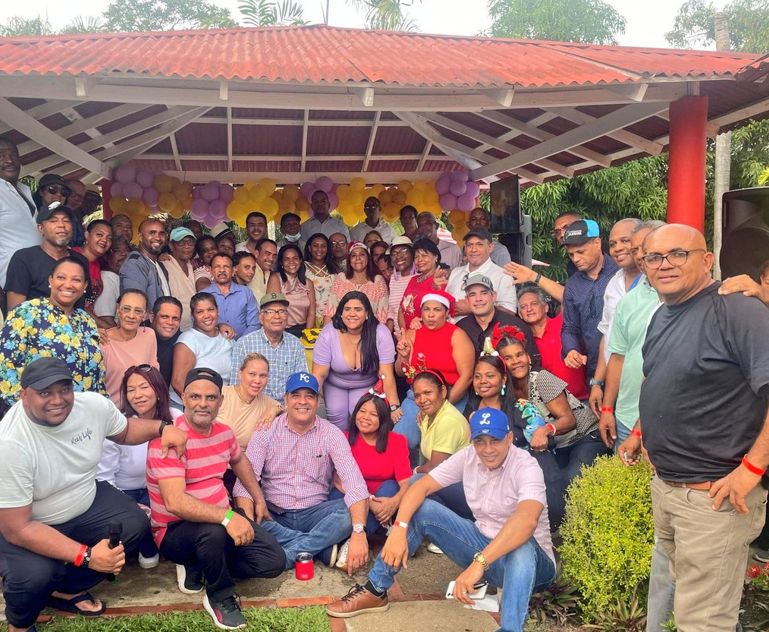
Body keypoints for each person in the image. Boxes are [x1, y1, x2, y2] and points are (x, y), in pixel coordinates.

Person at [617, 224, 769, 632]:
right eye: (654, 257)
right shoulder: (664, 314)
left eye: (678, 254)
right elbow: (658, 379)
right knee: (697, 606)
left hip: (713, 498)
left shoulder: (737, 308)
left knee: (702, 622)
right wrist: (639, 432)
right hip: (668, 488)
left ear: (706, 260)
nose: (665, 264)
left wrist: (751, 470)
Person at [326, 406, 555, 632]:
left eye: (494, 440)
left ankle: (510, 628)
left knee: (520, 542)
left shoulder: (525, 465)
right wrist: (398, 528)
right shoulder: (469, 456)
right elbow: (420, 484)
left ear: (509, 437)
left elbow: (526, 521)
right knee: (422, 508)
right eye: (480, 441)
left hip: (533, 567)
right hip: (486, 550)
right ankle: (375, 589)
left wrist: (479, 563)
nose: (487, 449)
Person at [0, 356, 187, 632]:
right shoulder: (10, 443)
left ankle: (64, 590)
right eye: (44, 392)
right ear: (23, 396)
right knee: (33, 577)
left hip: (86, 498)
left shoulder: (92, 406)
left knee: (134, 525)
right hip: (32, 520)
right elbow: (17, 528)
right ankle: (21, 624)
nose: (57, 399)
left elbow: (123, 432)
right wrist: (86, 555)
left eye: (64, 389)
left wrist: (162, 428)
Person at [146, 367, 286, 630]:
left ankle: (202, 562)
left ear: (221, 401)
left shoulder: (223, 432)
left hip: (221, 522)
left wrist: (258, 497)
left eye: (211, 398)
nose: (203, 404)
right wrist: (229, 517)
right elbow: (174, 502)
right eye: (195, 396)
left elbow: (239, 459)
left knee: (273, 561)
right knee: (213, 533)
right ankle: (219, 596)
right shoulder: (170, 439)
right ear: (184, 397)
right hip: (174, 532)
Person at [233, 372, 371, 575]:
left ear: (318, 400)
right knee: (245, 516)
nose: (302, 402)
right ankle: (320, 546)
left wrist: (359, 533)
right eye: (296, 395)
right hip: (273, 515)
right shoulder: (266, 430)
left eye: (310, 396)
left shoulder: (332, 434)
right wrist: (249, 523)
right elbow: (245, 480)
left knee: (347, 513)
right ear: (286, 399)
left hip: (315, 513)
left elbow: (355, 484)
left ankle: (286, 556)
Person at [498, 331, 606, 528]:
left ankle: (578, 534)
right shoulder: (507, 387)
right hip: (558, 447)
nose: (516, 361)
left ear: (528, 357)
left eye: (519, 354)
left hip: (584, 436)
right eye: (508, 358)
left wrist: (545, 429)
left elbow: (569, 420)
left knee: (569, 480)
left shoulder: (541, 379)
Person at [96, 364, 180, 569]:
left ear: (158, 390)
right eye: (131, 390)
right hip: (125, 491)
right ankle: (146, 545)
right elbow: (104, 477)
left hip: (162, 486)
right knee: (137, 517)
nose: (138, 395)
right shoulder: (118, 425)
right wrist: (127, 503)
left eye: (144, 387)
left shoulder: (176, 417)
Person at [0, 257, 106, 407]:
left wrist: (102, 407)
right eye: (61, 277)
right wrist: (26, 409)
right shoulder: (26, 313)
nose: (68, 285)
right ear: (50, 280)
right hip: (42, 415)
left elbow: (98, 374)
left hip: (84, 416)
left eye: (76, 280)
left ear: (84, 286)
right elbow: (6, 368)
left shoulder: (86, 320)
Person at [598, 221, 664, 449]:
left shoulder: (692, 299)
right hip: (627, 414)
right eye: (636, 250)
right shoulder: (628, 300)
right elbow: (617, 355)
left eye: (647, 247)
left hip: (671, 419)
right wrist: (608, 408)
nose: (641, 255)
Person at [394, 291, 475, 451]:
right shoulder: (411, 334)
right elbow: (400, 372)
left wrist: (440, 407)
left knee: (439, 446)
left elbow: (466, 377)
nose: (431, 315)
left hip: (450, 396)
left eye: (437, 310)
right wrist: (403, 358)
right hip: (416, 397)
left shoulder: (457, 335)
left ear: (446, 313)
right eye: (427, 309)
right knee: (400, 442)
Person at [313, 292, 399, 431]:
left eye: (358, 309)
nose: (351, 314)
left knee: (362, 420)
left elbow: (386, 374)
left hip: (365, 384)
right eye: (347, 309)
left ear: (367, 314)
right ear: (340, 313)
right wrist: (311, 400)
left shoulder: (380, 333)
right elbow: (319, 374)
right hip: (335, 384)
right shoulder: (328, 333)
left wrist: (394, 405)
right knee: (336, 420)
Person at [588, 218, 642, 416]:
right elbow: (607, 336)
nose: (618, 248)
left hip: (645, 388)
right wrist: (597, 382)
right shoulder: (613, 284)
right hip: (615, 387)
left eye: (625, 241)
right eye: (612, 244)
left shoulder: (655, 284)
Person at [337, 392, 411, 537]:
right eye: (362, 411)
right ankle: (372, 533)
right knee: (337, 498)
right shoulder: (344, 438)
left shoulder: (397, 441)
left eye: (373, 414)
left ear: (383, 419)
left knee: (391, 487)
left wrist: (395, 502)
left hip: (383, 496)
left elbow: (406, 481)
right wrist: (369, 502)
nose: (365, 417)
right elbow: (338, 481)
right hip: (351, 493)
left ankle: (352, 539)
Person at [561, 219, 618, 389]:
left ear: (597, 243)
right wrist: (571, 349)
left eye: (581, 252)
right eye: (571, 255)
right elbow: (570, 327)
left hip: (627, 362)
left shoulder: (620, 272)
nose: (576, 259)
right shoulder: (572, 285)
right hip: (594, 368)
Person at [409, 369, 473, 521]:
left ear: (443, 391)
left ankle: (456, 523)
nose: (422, 400)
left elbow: (435, 468)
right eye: (417, 395)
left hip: (467, 487)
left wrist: (414, 470)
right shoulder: (429, 415)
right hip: (450, 481)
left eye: (427, 393)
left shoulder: (447, 421)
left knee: (416, 482)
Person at [5, 203, 91, 311]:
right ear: (41, 228)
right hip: (33, 326)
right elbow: (15, 312)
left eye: (66, 221)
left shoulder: (80, 261)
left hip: (73, 326)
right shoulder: (23, 258)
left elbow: (81, 307)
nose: (62, 225)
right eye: (53, 221)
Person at [230, 292, 308, 402]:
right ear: (261, 318)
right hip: (253, 406)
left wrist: (282, 409)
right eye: (270, 312)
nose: (277, 316)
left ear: (287, 316)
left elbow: (301, 383)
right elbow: (235, 385)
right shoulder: (244, 344)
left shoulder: (296, 344)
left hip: (286, 409)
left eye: (282, 311)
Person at [517, 286, 588, 400]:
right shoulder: (522, 341)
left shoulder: (563, 323)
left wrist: (535, 277)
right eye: (523, 307)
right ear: (520, 315)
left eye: (534, 303)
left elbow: (569, 296)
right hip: (549, 408)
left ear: (546, 307)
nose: (529, 309)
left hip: (581, 400)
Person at [504, 211, 588, 305]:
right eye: (557, 232)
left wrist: (533, 276)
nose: (562, 234)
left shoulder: (605, 256)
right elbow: (571, 297)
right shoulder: (572, 266)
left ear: (597, 243)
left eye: (566, 227)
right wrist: (532, 276)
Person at [457, 274, 539, 365]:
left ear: (494, 296)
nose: (478, 299)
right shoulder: (461, 329)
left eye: (484, 293)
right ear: (467, 300)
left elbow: (533, 364)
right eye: (472, 294)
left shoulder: (515, 325)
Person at [170, 292, 233, 407]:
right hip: (193, 406)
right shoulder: (188, 340)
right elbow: (178, 383)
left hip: (222, 403)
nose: (207, 315)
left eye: (210, 309)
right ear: (193, 316)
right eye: (200, 312)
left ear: (217, 310)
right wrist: (202, 407)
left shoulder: (226, 337)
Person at [100, 290, 159, 408]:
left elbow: (154, 376)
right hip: (113, 411)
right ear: (118, 310)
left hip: (142, 409)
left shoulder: (149, 335)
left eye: (138, 311)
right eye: (126, 309)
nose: (131, 316)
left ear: (144, 315)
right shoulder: (103, 341)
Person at [446, 227, 518, 319]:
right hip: (452, 331)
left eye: (479, 244)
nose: (473, 249)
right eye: (470, 245)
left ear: (490, 247)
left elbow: (509, 312)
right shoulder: (456, 272)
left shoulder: (502, 275)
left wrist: (472, 308)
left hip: (483, 332)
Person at [0, 136, 41, 297]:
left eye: (14, 155)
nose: (10, 161)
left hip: (36, 283)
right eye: (1, 155)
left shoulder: (25, 189)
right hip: (8, 286)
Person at [218, 353, 282, 453]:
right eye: (252, 374)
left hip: (243, 463)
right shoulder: (223, 394)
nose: (257, 380)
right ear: (240, 373)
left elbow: (288, 409)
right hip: (214, 459)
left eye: (263, 376)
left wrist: (275, 409)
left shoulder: (266, 402)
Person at [325, 242, 389, 326]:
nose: (358, 258)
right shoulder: (341, 278)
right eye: (353, 255)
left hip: (370, 333)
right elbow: (330, 312)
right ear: (349, 260)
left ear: (368, 259)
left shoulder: (378, 281)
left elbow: (383, 317)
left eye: (362, 254)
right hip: (341, 333)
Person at [119, 218, 170, 310]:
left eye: (161, 233)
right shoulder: (135, 264)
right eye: (152, 233)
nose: (158, 238)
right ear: (140, 236)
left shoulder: (160, 265)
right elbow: (134, 306)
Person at [398, 238, 447, 331]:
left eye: (424, 255)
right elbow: (401, 309)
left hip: (426, 336)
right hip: (407, 337)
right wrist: (404, 333)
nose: (419, 260)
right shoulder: (414, 279)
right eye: (416, 257)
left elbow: (437, 314)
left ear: (436, 257)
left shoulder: (439, 280)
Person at [266, 244, 314, 337]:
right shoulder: (275, 279)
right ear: (281, 263)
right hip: (283, 331)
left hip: (304, 330)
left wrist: (307, 335)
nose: (291, 262)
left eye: (295, 258)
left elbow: (311, 313)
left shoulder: (308, 283)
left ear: (300, 261)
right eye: (286, 259)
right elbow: (273, 309)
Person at [208, 253, 259, 339]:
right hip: (214, 349)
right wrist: (218, 326)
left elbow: (254, 324)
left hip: (243, 347)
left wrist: (240, 345)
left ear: (233, 270)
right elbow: (198, 323)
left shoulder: (246, 293)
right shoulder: (203, 295)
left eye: (226, 266)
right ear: (211, 270)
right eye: (217, 266)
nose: (222, 270)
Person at [74, 219, 113, 324]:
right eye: (99, 234)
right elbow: (75, 302)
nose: (104, 240)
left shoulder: (98, 264)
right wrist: (103, 325)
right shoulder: (71, 256)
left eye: (109, 238)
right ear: (87, 235)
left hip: (88, 321)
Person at [161, 227, 198, 332]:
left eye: (190, 242)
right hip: (175, 329)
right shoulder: (164, 266)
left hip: (195, 328)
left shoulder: (191, 265)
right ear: (171, 246)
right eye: (181, 243)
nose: (186, 246)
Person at [93, 237, 131, 328]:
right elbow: (106, 320)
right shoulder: (106, 279)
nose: (123, 254)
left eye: (127, 250)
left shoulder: (120, 278)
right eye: (117, 250)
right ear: (106, 256)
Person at [304, 233, 339, 328]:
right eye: (315, 246)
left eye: (323, 246)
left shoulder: (334, 267)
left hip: (332, 318)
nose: (319, 249)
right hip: (308, 318)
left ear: (328, 249)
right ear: (309, 248)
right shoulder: (302, 267)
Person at [150, 296, 183, 388]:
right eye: (164, 317)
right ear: (152, 317)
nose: (170, 322)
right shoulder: (138, 332)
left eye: (175, 318)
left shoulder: (183, 341)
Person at [386, 236, 415, 333]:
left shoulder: (420, 277)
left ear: (412, 254)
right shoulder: (393, 279)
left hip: (415, 335)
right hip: (398, 337)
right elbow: (391, 311)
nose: (398, 256)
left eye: (403, 251)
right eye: (394, 254)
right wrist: (387, 336)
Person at [248, 238, 276, 303]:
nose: (271, 259)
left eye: (274, 256)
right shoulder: (250, 272)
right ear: (256, 254)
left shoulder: (269, 273)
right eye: (267, 253)